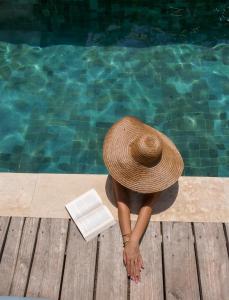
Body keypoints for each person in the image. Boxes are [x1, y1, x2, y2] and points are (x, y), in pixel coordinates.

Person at [102, 115, 184, 284]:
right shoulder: (120, 159)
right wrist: (128, 241)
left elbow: (148, 205)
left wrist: (133, 242)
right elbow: (122, 201)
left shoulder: (158, 168)